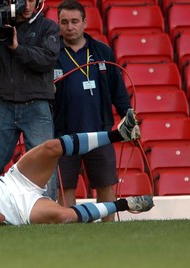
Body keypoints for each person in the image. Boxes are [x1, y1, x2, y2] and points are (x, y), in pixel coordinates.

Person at [0, 109, 148, 226]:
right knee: (64, 216)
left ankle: (118, 134)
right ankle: (124, 204)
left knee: (50, 148)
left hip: (13, 181)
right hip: (21, 211)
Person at [53, 0, 132, 221]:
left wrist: (128, 116)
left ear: (85, 22)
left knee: (105, 184)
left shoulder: (102, 51)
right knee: (65, 187)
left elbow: (118, 90)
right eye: (64, 22)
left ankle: (108, 231)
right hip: (64, 135)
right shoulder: (51, 54)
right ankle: (68, 233)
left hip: (100, 133)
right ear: (58, 24)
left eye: (75, 21)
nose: (70, 27)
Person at [0, 0, 60, 200]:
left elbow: (46, 61)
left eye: (31, 0)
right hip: (2, 103)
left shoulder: (48, 27)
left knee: (44, 163)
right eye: (21, 0)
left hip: (37, 103)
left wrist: (17, 48)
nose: (26, 5)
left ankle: (46, 215)